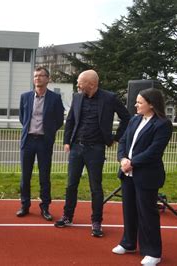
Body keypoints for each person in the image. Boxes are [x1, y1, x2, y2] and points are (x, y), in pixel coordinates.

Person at [54, 70, 130, 237]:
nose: (78, 85)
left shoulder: (109, 98)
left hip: (96, 148)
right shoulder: (77, 97)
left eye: (80, 82)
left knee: (96, 187)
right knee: (71, 184)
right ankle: (67, 216)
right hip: (76, 147)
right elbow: (71, 120)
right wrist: (67, 141)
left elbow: (126, 117)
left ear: (91, 84)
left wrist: (115, 138)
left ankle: (96, 222)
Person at [112, 88, 172, 266]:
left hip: (146, 175)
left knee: (147, 214)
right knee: (129, 210)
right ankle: (128, 243)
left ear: (151, 104)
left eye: (139, 102)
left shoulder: (162, 124)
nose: (135, 104)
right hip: (127, 173)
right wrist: (122, 158)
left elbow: (154, 151)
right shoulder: (135, 119)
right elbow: (123, 141)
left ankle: (153, 252)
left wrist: (133, 162)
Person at [17, 67, 64, 221]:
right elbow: (22, 118)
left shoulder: (55, 98)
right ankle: (25, 205)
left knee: (44, 176)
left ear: (47, 79)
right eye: (35, 76)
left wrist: (48, 131)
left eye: (41, 76)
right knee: (25, 175)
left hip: (44, 141)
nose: (37, 78)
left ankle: (45, 207)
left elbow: (58, 119)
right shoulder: (25, 97)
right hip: (28, 141)